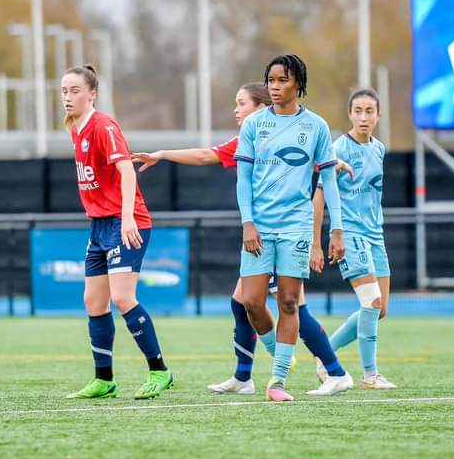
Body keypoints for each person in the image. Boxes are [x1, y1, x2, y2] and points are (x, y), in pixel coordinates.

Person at [133, 84, 354, 395]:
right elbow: (204, 154)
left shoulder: (289, 131)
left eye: (241, 104)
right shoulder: (247, 139)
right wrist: (163, 154)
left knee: (293, 307)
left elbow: (316, 161)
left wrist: (335, 165)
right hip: (263, 231)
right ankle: (244, 376)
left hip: (288, 230)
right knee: (243, 303)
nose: (236, 110)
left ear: (262, 107)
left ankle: (334, 371)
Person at [235, 54, 354, 401]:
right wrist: (248, 222)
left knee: (289, 301)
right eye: (270, 80)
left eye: (282, 80)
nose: (275, 87)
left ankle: (277, 381)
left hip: (297, 226)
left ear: (298, 84)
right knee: (252, 302)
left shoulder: (315, 126)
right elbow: (243, 179)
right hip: (259, 226)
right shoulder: (254, 125)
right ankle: (278, 351)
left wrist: (337, 230)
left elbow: (328, 181)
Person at [62, 65, 173, 400]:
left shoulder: (103, 126)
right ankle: (104, 379)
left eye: (75, 91)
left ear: (92, 93)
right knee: (93, 302)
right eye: (64, 91)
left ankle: (160, 370)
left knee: (123, 298)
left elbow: (127, 170)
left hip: (125, 222)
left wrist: (126, 218)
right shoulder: (76, 128)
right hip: (99, 225)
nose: (68, 97)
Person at [311, 88, 396, 389]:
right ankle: (370, 375)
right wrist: (318, 241)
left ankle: (324, 355)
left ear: (378, 115)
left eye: (369, 111)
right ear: (350, 114)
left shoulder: (379, 149)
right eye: (358, 111)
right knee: (371, 303)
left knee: (380, 308)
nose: (363, 117)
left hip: (376, 236)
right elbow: (319, 197)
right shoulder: (337, 149)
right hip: (350, 235)